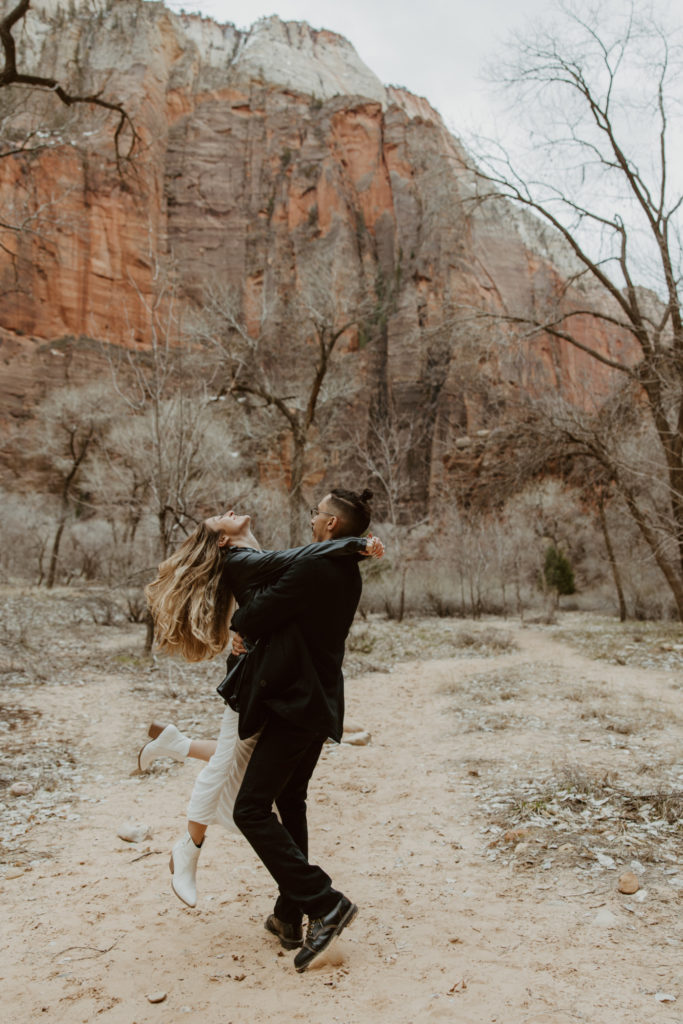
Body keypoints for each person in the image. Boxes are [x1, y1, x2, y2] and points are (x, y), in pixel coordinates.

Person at [143, 501, 383, 910]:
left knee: (246, 774)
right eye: (220, 518)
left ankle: (288, 907)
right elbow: (262, 606)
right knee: (229, 769)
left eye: (317, 512)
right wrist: (353, 544)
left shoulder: (264, 558)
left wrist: (350, 546)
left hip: (278, 687)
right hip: (261, 685)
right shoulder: (240, 560)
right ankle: (190, 848)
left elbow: (286, 583)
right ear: (222, 538)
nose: (228, 509)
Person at [229, 488, 374, 972]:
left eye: (317, 514)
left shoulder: (314, 568)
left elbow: (252, 616)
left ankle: (325, 902)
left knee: (249, 809)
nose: (312, 519)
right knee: (290, 801)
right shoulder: (345, 569)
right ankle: (289, 917)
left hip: (296, 707)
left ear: (331, 525)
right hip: (319, 705)